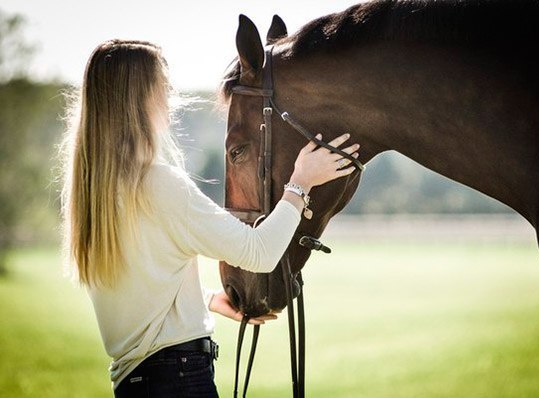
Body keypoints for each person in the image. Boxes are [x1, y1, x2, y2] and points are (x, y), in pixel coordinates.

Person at [59, 39, 359, 397]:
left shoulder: (97, 194)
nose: (170, 97)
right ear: (139, 99)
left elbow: (139, 279)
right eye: (163, 86)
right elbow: (260, 253)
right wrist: (300, 183)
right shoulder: (159, 184)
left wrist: (205, 299)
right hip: (180, 379)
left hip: (132, 383)